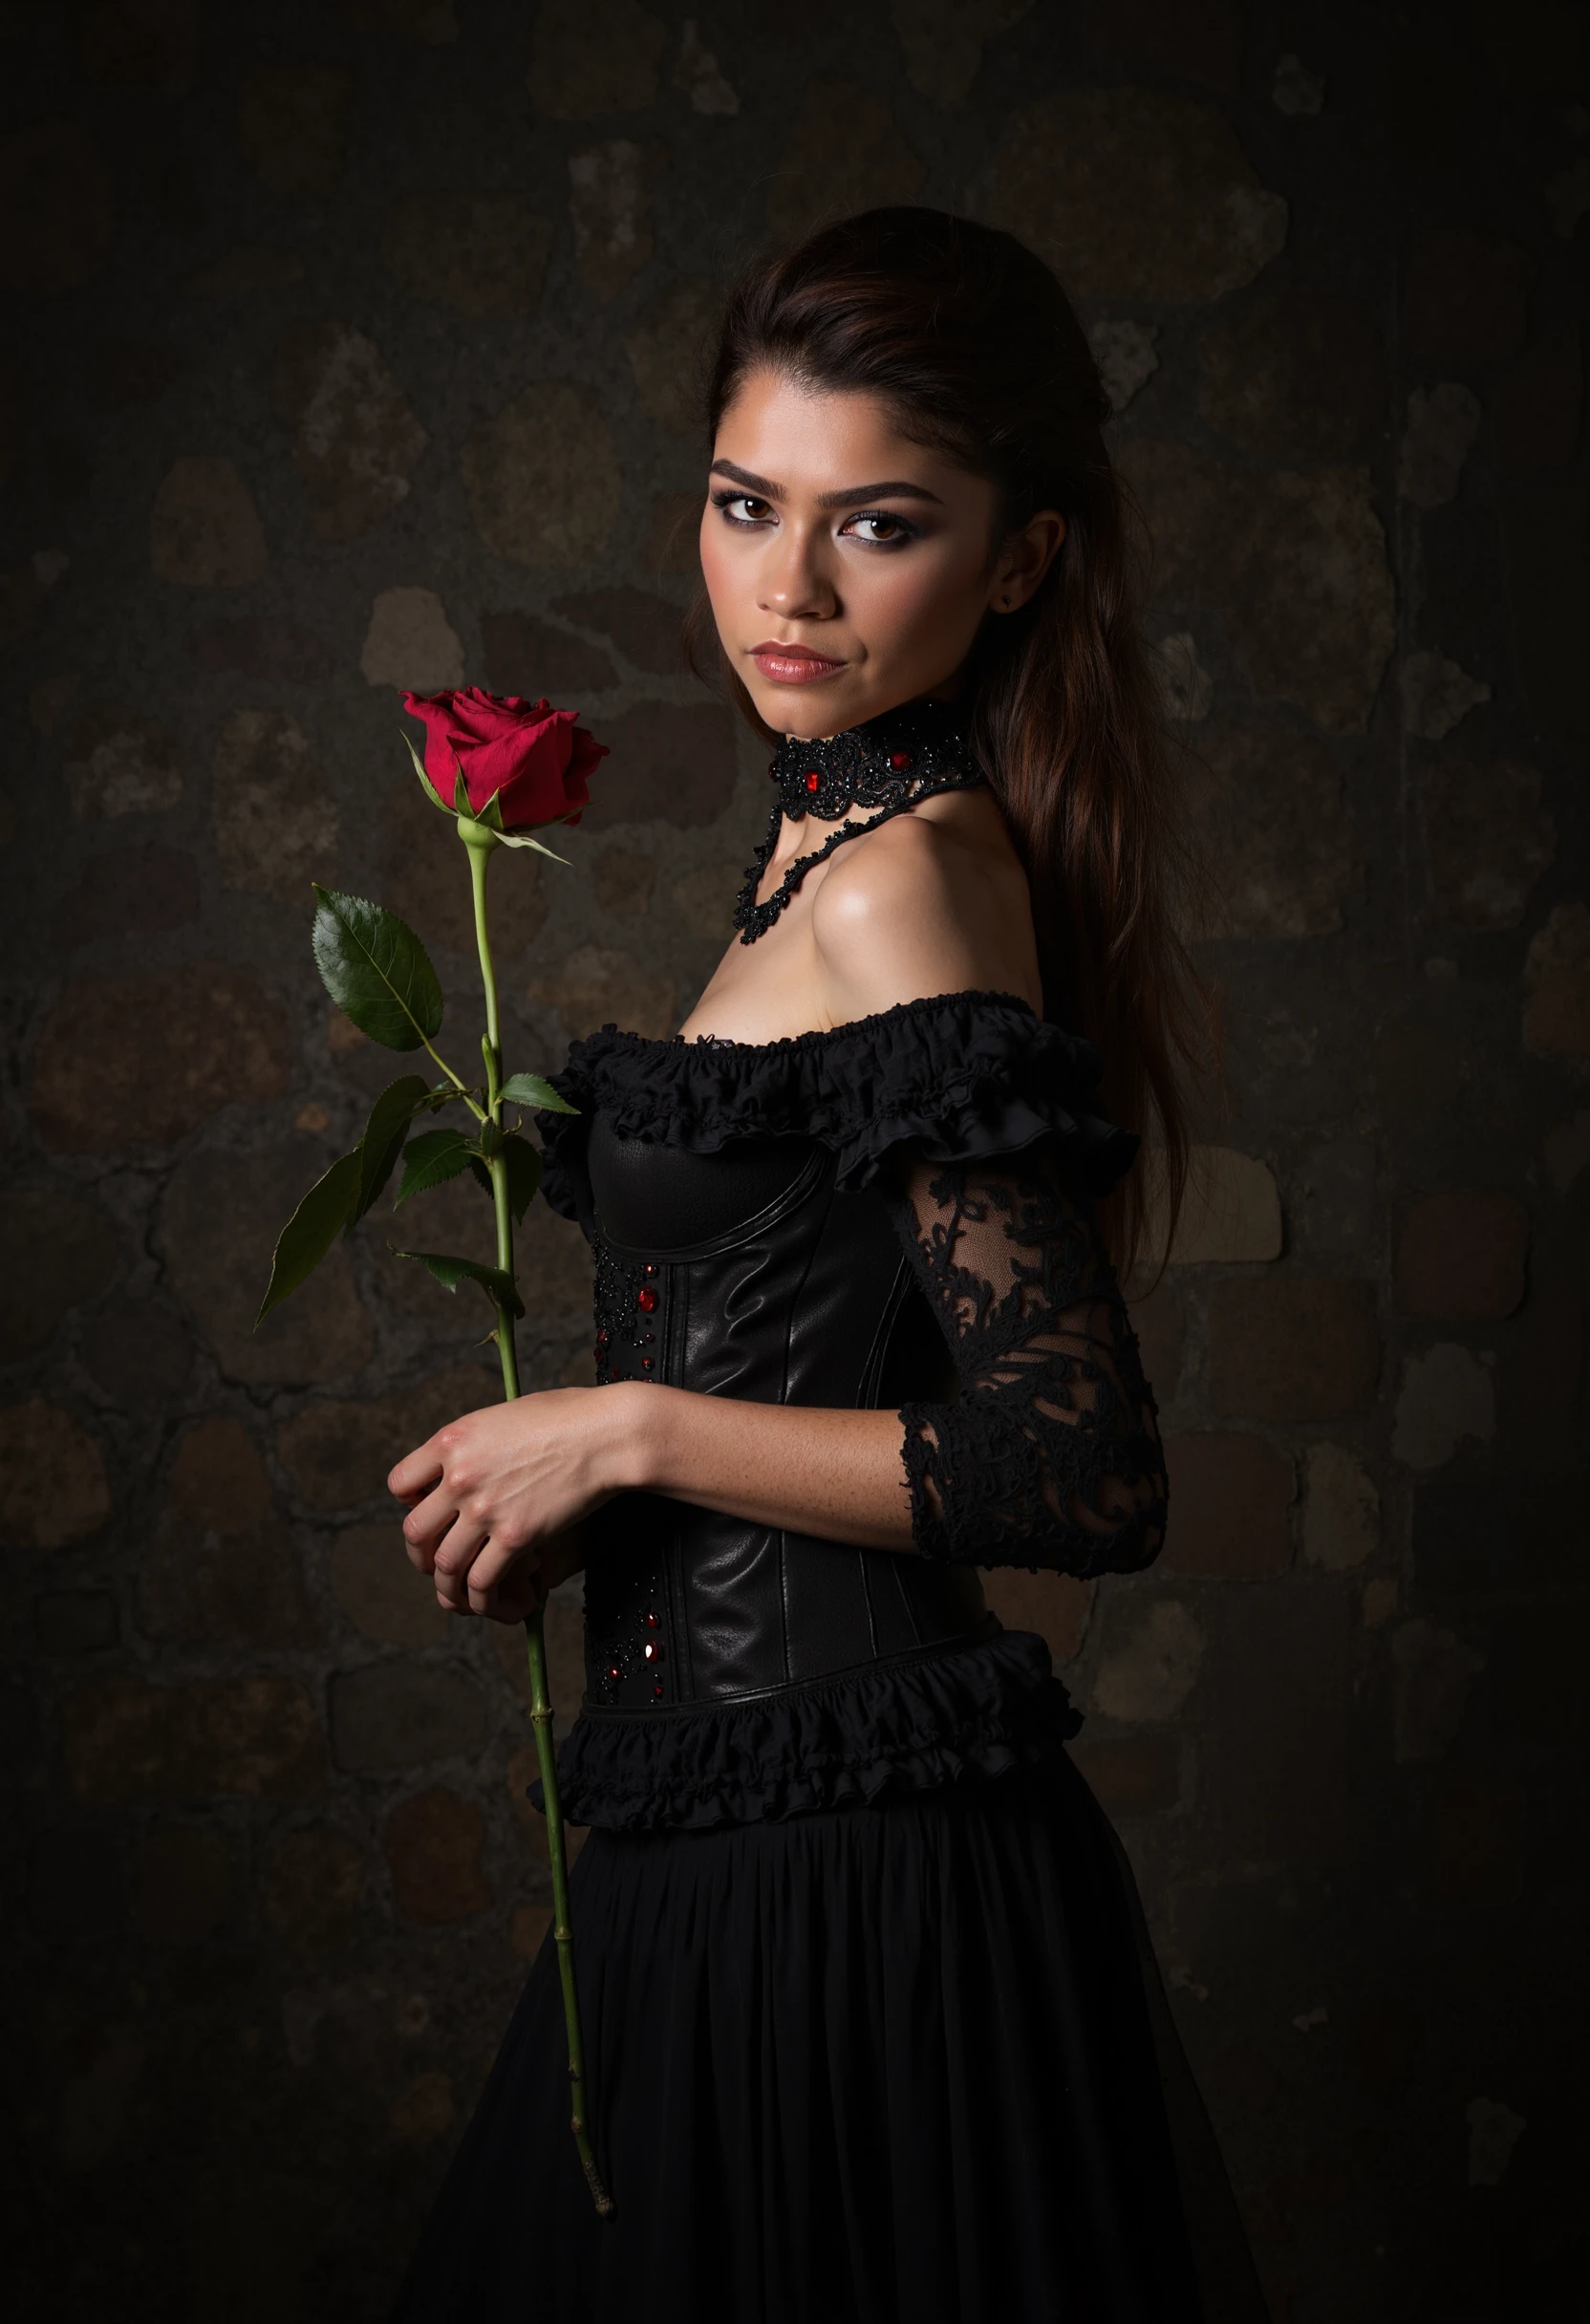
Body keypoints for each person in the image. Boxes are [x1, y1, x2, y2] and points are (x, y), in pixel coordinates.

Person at [388, 207, 1264, 2323]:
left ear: (1023, 556)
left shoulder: (910, 888)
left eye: (876, 523)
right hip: (742, 1843)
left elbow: (1076, 1466)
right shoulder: (825, 846)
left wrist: (623, 1433)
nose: (784, 589)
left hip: (859, 1880)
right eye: (742, 504)